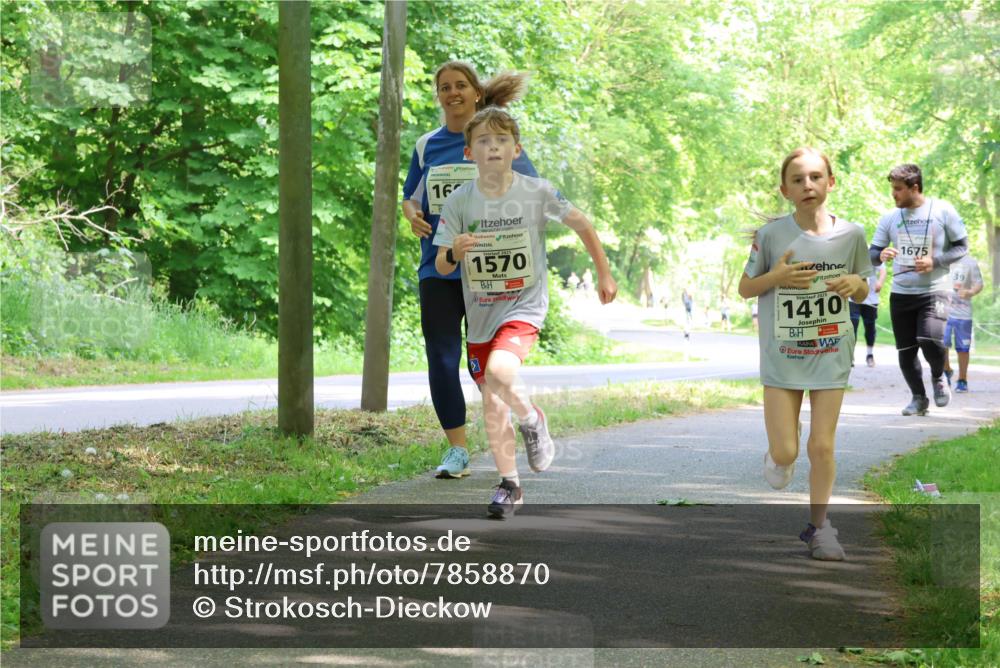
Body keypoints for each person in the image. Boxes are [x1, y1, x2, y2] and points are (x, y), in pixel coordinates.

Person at [434, 107, 617, 517]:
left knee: (500, 372)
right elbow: (443, 264)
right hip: (481, 313)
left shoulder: (536, 191)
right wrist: (454, 251)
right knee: (491, 400)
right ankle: (510, 486)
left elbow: (583, 224)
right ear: (469, 153)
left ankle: (532, 419)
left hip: (524, 305)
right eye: (483, 141)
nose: (492, 147)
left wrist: (603, 273)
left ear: (516, 149)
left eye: (501, 140)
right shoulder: (460, 200)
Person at [401, 62, 538, 480]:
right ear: (438, 96)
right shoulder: (427, 146)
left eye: (460, 85)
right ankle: (457, 451)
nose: (452, 92)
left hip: (488, 274)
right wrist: (411, 213)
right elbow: (411, 196)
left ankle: (509, 432)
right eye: (444, 87)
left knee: (483, 367)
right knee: (441, 359)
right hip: (439, 267)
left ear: (477, 93)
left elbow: (531, 189)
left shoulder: (494, 138)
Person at [738, 147, 873, 561]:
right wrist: (776, 277)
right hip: (782, 354)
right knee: (786, 453)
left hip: (831, 351)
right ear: (785, 190)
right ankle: (782, 450)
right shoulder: (771, 236)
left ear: (831, 182)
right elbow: (745, 289)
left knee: (823, 446)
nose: (808, 185)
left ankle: (820, 527)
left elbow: (867, 287)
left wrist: (855, 283)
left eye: (816, 177)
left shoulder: (851, 235)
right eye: (798, 179)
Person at [870, 164, 969, 416]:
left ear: (915, 188)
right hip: (902, 293)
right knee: (905, 351)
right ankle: (918, 398)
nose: (893, 194)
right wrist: (881, 254)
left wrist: (934, 262)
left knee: (929, 338)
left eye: (898, 189)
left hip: (936, 289)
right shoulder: (889, 217)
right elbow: (872, 255)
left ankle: (939, 377)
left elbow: (961, 247)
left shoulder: (943, 211)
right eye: (892, 189)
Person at [942, 254, 984, 392]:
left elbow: (979, 283)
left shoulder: (970, 262)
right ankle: (946, 370)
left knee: (963, 349)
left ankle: (962, 380)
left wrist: (970, 292)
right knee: (941, 342)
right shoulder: (940, 256)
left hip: (963, 313)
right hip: (942, 309)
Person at [849, 265, 887, 367]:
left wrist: (880, 282)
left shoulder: (873, 254)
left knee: (870, 328)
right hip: (853, 298)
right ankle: (850, 356)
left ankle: (869, 355)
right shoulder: (851, 254)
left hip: (871, 299)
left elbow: (883, 271)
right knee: (852, 327)